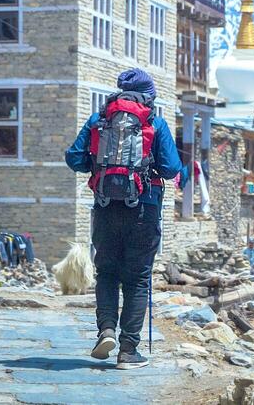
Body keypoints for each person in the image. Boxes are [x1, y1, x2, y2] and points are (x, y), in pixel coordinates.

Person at [65, 67, 182, 370]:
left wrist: (99, 164)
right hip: (143, 209)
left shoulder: (99, 120)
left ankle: (106, 331)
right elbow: (171, 168)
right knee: (138, 278)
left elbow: (74, 158)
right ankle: (128, 350)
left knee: (107, 273)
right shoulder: (154, 123)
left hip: (106, 208)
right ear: (149, 95)